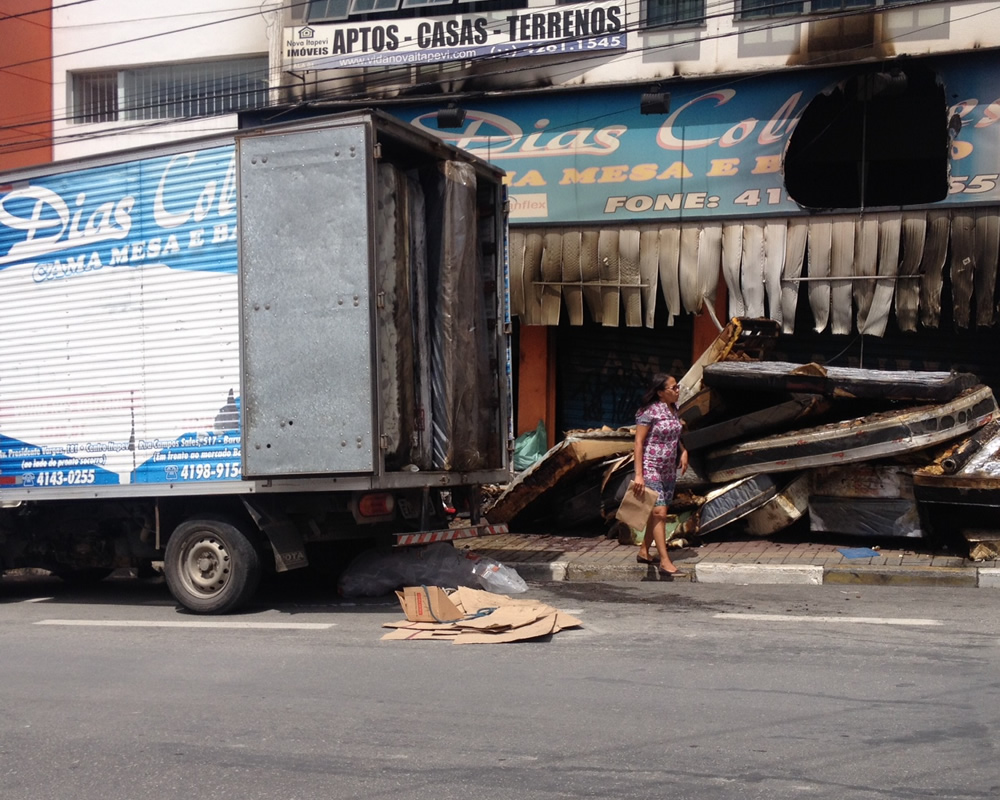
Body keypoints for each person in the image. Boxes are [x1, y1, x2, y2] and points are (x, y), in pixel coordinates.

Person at [633, 373, 689, 576]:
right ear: (660, 393)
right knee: (660, 513)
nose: (677, 390)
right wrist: (639, 475)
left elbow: (676, 433)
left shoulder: (674, 408)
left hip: (668, 469)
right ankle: (665, 561)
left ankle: (644, 552)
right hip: (651, 467)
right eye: (673, 388)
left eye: (677, 387)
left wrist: (683, 451)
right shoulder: (648, 412)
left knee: (654, 512)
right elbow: (638, 442)